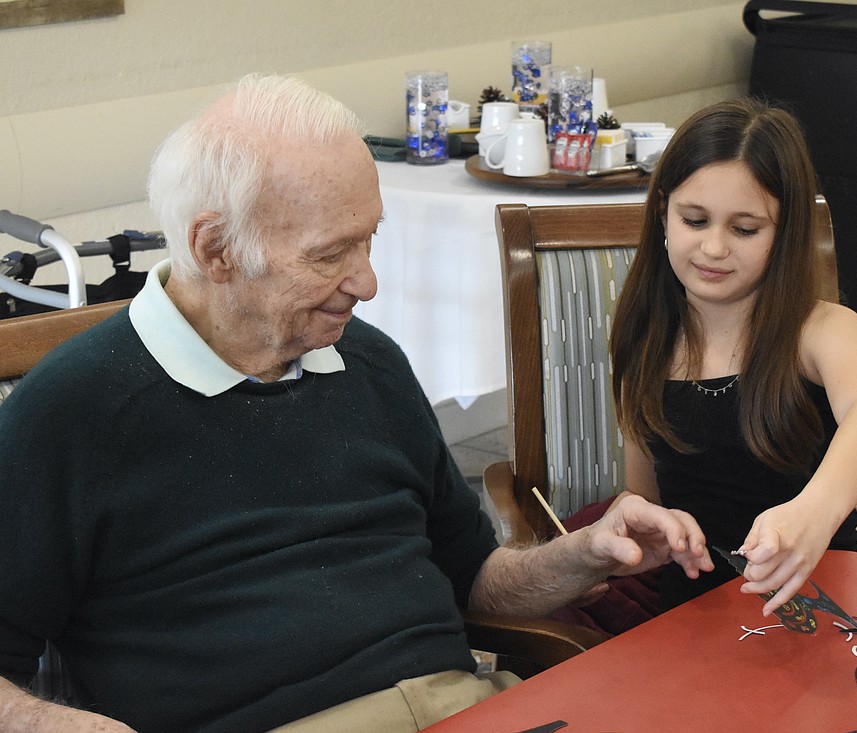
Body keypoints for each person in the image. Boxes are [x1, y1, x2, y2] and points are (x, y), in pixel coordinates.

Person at [0, 73, 713, 733]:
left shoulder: (366, 360)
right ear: (216, 250)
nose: (367, 283)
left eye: (369, 239)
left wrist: (583, 555)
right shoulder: (70, 410)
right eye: (328, 254)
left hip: (465, 706)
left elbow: (474, 582)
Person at [609, 98, 857, 617]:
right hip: (691, 616)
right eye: (695, 220)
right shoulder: (645, 341)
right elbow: (645, 496)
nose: (714, 248)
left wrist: (814, 512)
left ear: (785, 231)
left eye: (744, 229)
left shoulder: (822, 330)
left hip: (819, 599)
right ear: (663, 214)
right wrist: (632, 529)